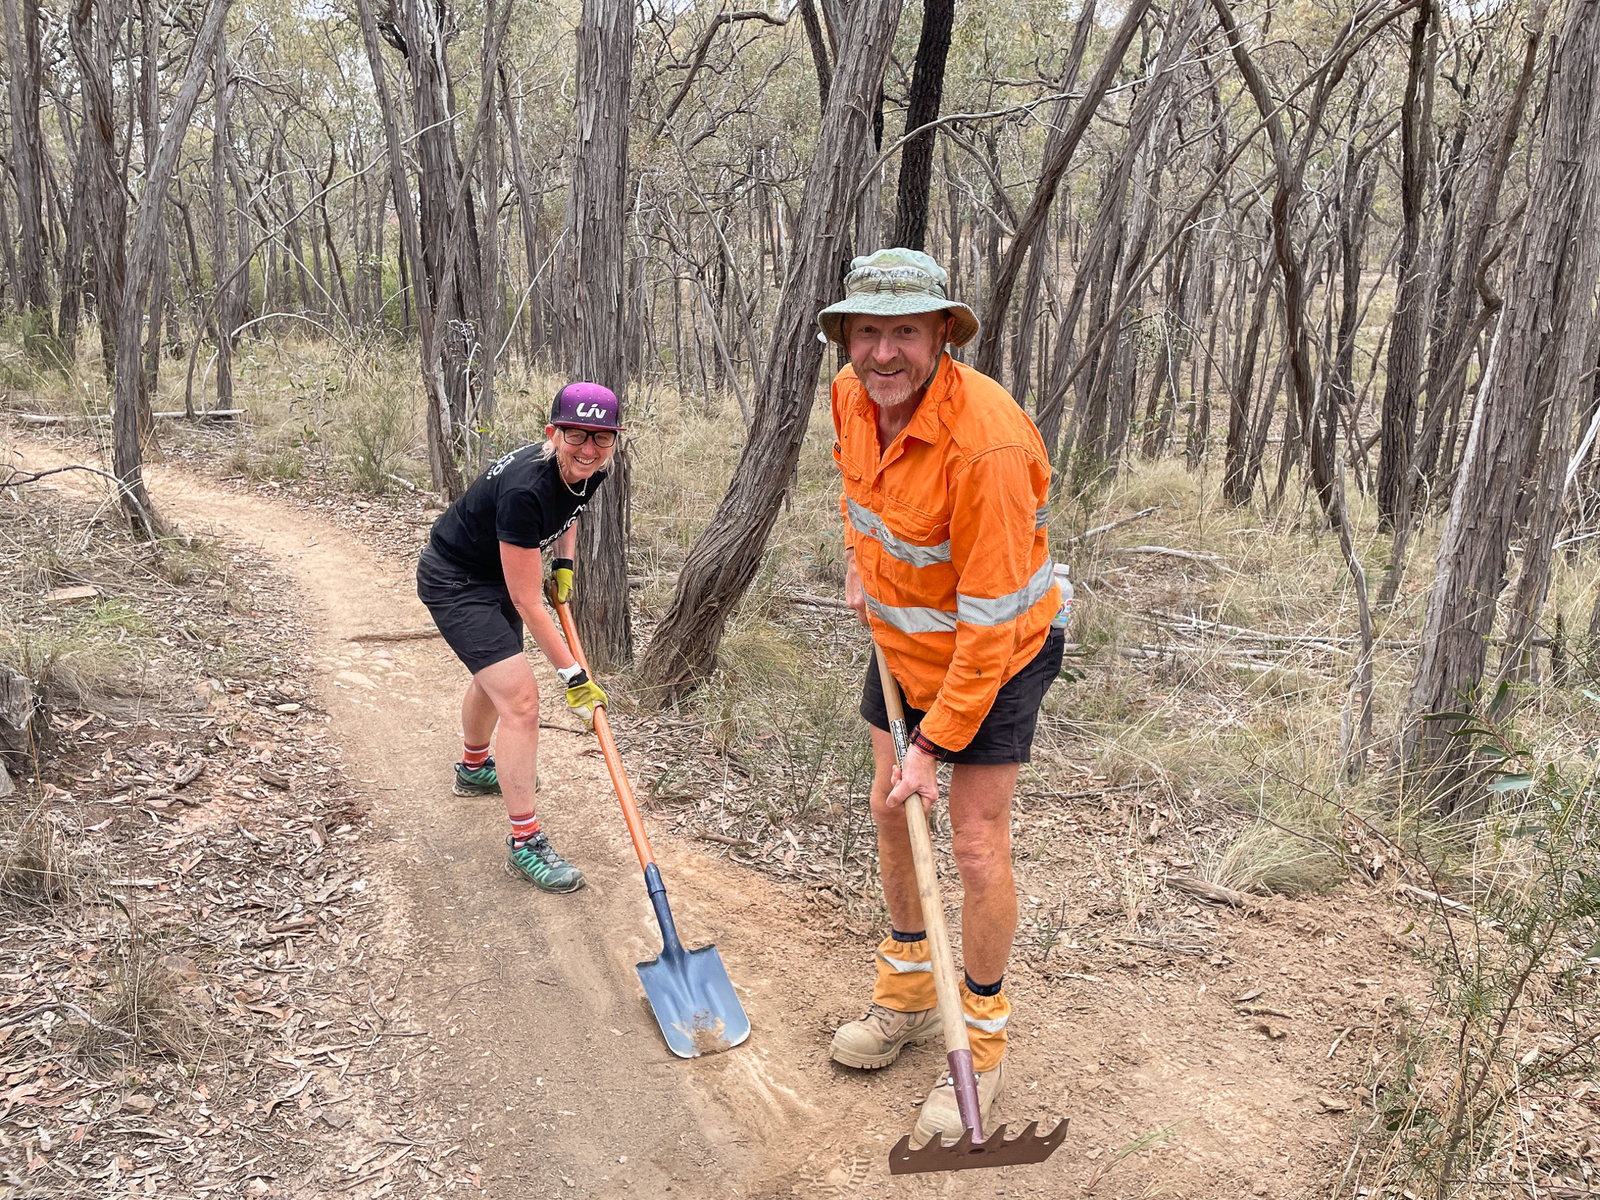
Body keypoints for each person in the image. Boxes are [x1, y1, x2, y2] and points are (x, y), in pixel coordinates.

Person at [818, 249, 1065, 1145]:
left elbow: (991, 624)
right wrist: (859, 559)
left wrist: (931, 749)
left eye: (906, 333)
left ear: (941, 337)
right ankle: (910, 994)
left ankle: (983, 1039)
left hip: (995, 653)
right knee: (890, 813)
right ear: (847, 336)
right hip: (902, 640)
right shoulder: (851, 398)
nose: (884, 353)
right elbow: (861, 492)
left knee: (970, 842)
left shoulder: (985, 445)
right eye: (868, 332)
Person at [415, 381, 621, 893]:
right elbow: (528, 601)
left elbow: (572, 507)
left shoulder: (594, 466)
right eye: (577, 435)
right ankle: (525, 841)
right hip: (457, 579)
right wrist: (573, 675)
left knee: (495, 680)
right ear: (552, 433)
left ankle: (473, 767)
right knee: (523, 702)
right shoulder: (527, 489)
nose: (589, 449)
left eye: (602, 438)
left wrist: (565, 562)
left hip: (496, 570)